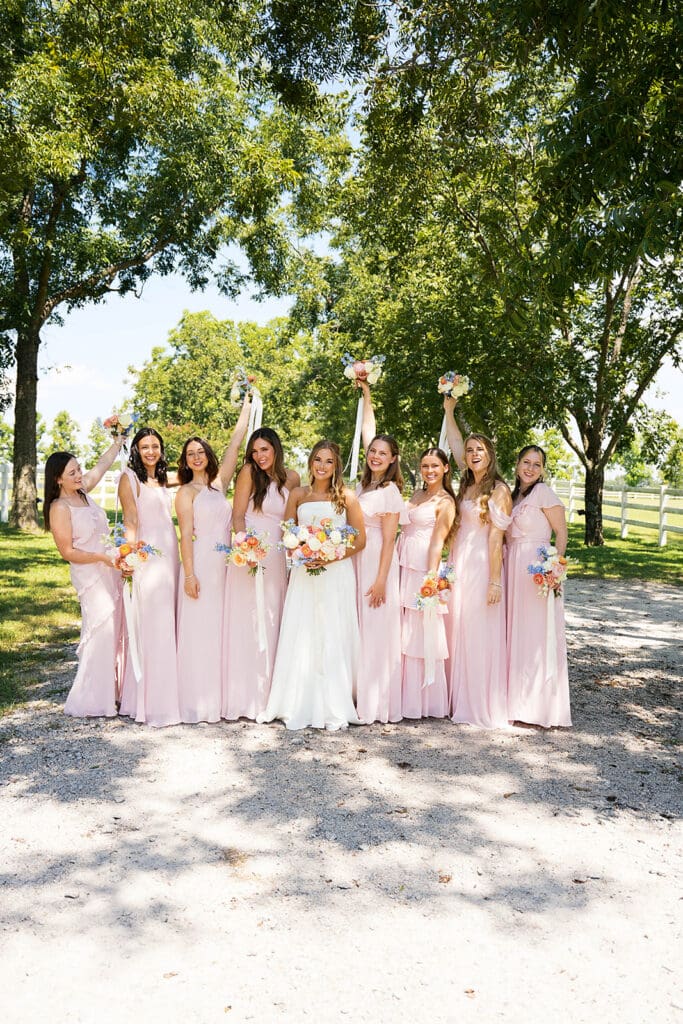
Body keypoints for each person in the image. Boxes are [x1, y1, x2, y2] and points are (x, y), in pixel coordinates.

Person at [259, 440, 366, 731]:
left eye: (328, 461)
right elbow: (287, 533)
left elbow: (360, 540)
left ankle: (334, 699)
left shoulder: (346, 496)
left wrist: (329, 556)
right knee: (303, 630)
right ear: (310, 462)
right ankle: (295, 699)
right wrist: (302, 551)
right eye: (318, 459)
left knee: (331, 630)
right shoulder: (298, 494)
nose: (322, 466)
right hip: (305, 573)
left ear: (336, 466)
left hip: (335, 572)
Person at [176, 400, 251, 723]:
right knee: (199, 629)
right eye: (190, 453)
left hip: (225, 564)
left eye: (200, 451)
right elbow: (185, 536)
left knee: (221, 628)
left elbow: (236, 441)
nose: (196, 457)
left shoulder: (218, 485)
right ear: (185, 460)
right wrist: (189, 575)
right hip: (201, 564)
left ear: (208, 455)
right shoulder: (185, 493)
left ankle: (220, 697)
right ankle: (195, 700)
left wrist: (249, 402)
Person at [222, 426, 300, 721]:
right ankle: (245, 697)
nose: (259, 456)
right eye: (254, 451)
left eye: (264, 449)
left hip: (278, 554)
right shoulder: (247, 473)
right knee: (249, 620)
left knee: (272, 618)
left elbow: (292, 519)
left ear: (276, 449)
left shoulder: (292, 478)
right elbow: (238, 515)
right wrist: (246, 548)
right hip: (250, 554)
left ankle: (272, 695)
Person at [43, 438, 125, 717]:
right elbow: (67, 551)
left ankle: (112, 692)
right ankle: (91, 699)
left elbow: (102, 466)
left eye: (79, 469)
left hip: (109, 568)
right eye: (72, 473)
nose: (79, 475)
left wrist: (118, 441)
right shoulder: (59, 508)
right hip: (89, 573)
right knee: (100, 629)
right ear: (58, 479)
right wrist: (103, 558)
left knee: (114, 630)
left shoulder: (84, 492)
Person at [444, 409, 512, 728]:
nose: (472, 454)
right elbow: (456, 442)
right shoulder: (467, 484)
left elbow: (497, 540)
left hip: (481, 564)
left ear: (490, 455)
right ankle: (455, 696)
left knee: (476, 629)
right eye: (470, 451)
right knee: (456, 625)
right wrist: (448, 410)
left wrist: (495, 581)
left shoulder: (498, 489)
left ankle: (478, 700)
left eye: (479, 450)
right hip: (459, 560)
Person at [117, 427, 180, 727]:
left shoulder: (164, 479)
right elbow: (130, 517)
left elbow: (199, 470)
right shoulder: (129, 478)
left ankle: (170, 693)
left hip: (172, 557)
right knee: (151, 624)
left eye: (155, 446)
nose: (151, 451)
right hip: (147, 557)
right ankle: (148, 700)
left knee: (169, 622)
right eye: (145, 446)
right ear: (136, 450)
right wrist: (129, 554)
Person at [505, 445, 572, 727]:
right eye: (526, 462)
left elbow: (562, 533)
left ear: (543, 469)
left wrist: (554, 568)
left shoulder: (543, 493)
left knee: (536, 636)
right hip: (513, 569)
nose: (531, 468)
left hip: (537, 572)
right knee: (516, 634)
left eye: (537, 464)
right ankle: (516, 702)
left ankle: (540, 706)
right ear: (517, 464)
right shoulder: (513, 496)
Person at [353, 381, 407, 724]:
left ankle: (375, 701)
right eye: (372, 451)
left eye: (382, 453)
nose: (375, 456)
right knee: (357, 627)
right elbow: (366, 433)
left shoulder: (389, 491)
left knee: (375, 628)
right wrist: (366, 395)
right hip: (356, 558)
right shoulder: (362, 485)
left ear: (393, 460)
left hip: (377, 562)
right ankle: (355, 692)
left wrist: (383, 579)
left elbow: (389, 540)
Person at [398, 447, 456, 718]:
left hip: (423, 565)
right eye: (425, 466)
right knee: (405, 626)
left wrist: (431, 579)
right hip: (403, 561)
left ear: (445, 468)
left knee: (422, 627)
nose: (429, 471)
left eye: (435, 466)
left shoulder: (445, 501)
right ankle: (402, 694)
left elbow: (437, 542)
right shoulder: (418, 494)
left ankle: (424, 701)